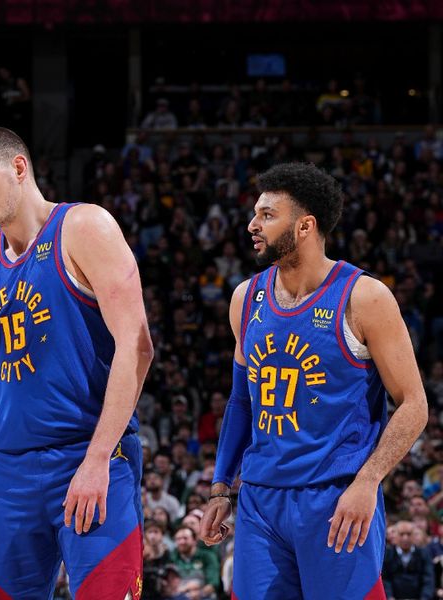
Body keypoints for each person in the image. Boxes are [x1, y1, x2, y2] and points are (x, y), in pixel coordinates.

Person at [199, 162, 428, 598]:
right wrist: (220, 488)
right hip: (259, 502)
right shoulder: (245, 298)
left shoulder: (365, 297)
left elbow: (414, 404)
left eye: (267, 215)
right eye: (255, 214)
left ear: (305, 225)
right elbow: (240, 403)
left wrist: (368, 482)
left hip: (335, 499)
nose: (253, 224)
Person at [0, 126, 153, 598]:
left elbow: (137, 345)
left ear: (19, 167)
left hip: (87, 455)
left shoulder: (84, 227)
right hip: (7, 472)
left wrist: (98, 457)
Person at [381, 521, 436, 600]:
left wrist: (425, 597)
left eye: (409, 534)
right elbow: (385, 579)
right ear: (395, 536)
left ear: (414, 535)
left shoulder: (424, 553)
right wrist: (389, 597)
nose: (405, 538)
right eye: (401, 534)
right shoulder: (387, 554)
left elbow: (428, 579)